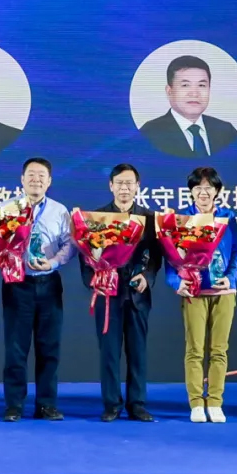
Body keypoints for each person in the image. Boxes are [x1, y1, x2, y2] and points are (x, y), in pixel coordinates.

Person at [78, 163, 160, 422]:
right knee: (109, 352)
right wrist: (94, 280)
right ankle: (112, 404)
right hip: (107, 294)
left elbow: (157, 256)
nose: (125, 188)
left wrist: (147, 277)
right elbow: (86, 257)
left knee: (138, 352)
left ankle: (137, 404)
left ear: (138, 186)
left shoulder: (150, 219)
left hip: (137, 294)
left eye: (129, 183)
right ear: (111, 186)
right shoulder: (97, 218)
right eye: (120, 183)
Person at [166, 166, 237, 423]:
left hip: (224, 291)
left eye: (208, 188)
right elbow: (170, 257)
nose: (203, 192)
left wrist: (231, 277)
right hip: (194, 292)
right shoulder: (181, 219)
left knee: (219, 350)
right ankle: (197, 403)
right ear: (191, 192)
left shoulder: (227, 218)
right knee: (195, 349)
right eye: (198, 188)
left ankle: (216, 402)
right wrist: (176, 282)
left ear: (217, 191)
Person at [1, 157, 76, 422]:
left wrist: (53, 262)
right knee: (15, 348)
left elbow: (71, 245)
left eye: (41, 175)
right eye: (31, 175)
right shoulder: (7, 209)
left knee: (49, 347)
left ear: (49, 181)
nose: (36, 180)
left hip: (49, 283)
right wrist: (6, 257)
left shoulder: (60, 211)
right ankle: (14, 405)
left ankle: (46, 404)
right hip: (17, 284)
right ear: (22, 179)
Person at [138, 55, 237, 158]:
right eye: (185, 85)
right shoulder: (149, 134)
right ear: (169, 91)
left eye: (201, 85)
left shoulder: (226, 131)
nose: (194, 93)